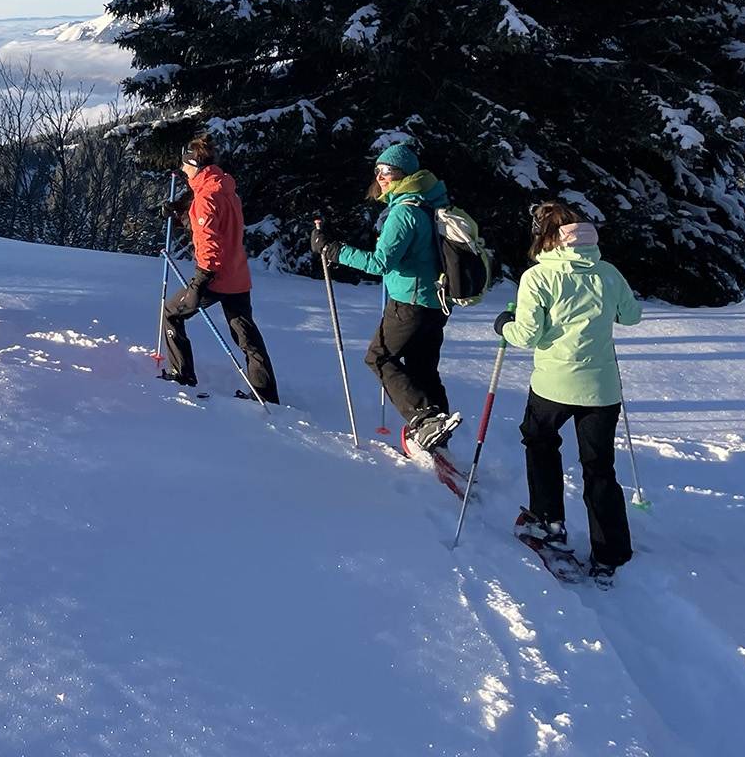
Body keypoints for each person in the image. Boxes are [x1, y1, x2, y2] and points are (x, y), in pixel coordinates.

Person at [495, 200, 643, 583]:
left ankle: (547, 522)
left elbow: (528, 335)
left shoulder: (538, 277)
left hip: (553, 385)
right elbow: (631, 315)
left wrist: (504, 326)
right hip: (602, 389)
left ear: (544, 236)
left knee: (540, 442)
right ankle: (610, 552)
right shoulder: (608, 272)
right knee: (599, 467)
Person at [309, 141, 458, 450]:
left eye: (387, 170)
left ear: (403, 173)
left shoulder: (405, 212)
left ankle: (426, 421)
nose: (380, 176)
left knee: (379, 357)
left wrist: (333, 250)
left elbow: (380, 263)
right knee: (422, 369)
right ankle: (438, 428)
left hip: (410, 302)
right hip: (436, 302)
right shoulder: (430, 202)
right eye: (377, 170)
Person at [159, 137, 279, 402]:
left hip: (215, 277)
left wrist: (200, 282)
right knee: (247, 336)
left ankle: (182, 373)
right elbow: (215, 226)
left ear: (194, 164)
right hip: (237, 274)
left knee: (172, 313)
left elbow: (208, 243)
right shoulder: (224, 188)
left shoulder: (205, 196)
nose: (182, 170)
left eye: (185, 164)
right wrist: (181, 212)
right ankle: (265, 392)